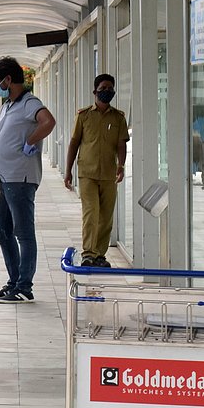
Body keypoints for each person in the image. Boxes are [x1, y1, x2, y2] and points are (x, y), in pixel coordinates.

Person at [0, 56, 55, 304]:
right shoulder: (8, 106)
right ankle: (14, 281)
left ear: (8, 79)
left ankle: (24, 286)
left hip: (21, 178)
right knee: (2, 229)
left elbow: (48, 122)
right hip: (4, 178)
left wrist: (30, 141)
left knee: (23, 233)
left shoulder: (29, 102)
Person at [63, 74, 129, 267]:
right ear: (95, 91)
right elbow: (74, 143)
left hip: (109, 173)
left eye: (110, 88)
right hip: (87, 173)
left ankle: (100, 254)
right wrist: (68, 171)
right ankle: (88, 253)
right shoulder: (83, 116)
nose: (107, 91)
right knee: (91, 213)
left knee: (106, 216)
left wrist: (121, 166)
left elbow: (121, 144)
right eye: (103, 88)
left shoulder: (119, 117)